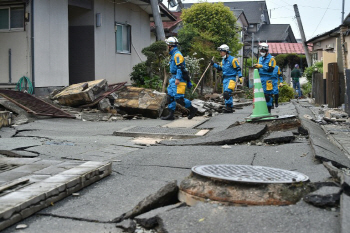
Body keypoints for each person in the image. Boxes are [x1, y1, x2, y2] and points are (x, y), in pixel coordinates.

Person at [161, 37, 197, 120]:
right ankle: (171, 115)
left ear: (170, 45)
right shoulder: (173, 54)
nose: (167, 47)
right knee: (170, 97)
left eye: (167, 45)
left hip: (179, 80)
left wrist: (177, 78)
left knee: (179, 99)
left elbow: (180, 68)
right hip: (173, 78)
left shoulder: (177, 55)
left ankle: (193, 109)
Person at [211, 44, 243, 113]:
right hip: (225, 79)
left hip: (231, 78)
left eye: (221, 52)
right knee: (226, 94)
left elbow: (238, 68)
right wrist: (213, 64)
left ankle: (228, 107)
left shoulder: (233, 60)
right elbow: (220, 69)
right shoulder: (223, 61)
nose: (220, 53)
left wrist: (240, 76)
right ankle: (229, 107)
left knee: (227, 93)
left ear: (226, 51)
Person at [253, 43, 276, 113]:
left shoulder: (271, 59)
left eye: (263, 51)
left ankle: (268, 110)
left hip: (267, 78)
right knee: (261, 95)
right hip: (261, 78)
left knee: (267, 94)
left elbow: (270, 69)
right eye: (261, 51)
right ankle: (262, 109)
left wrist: (262, 66)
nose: (261, 53)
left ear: (266, 51)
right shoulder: (260, 58)